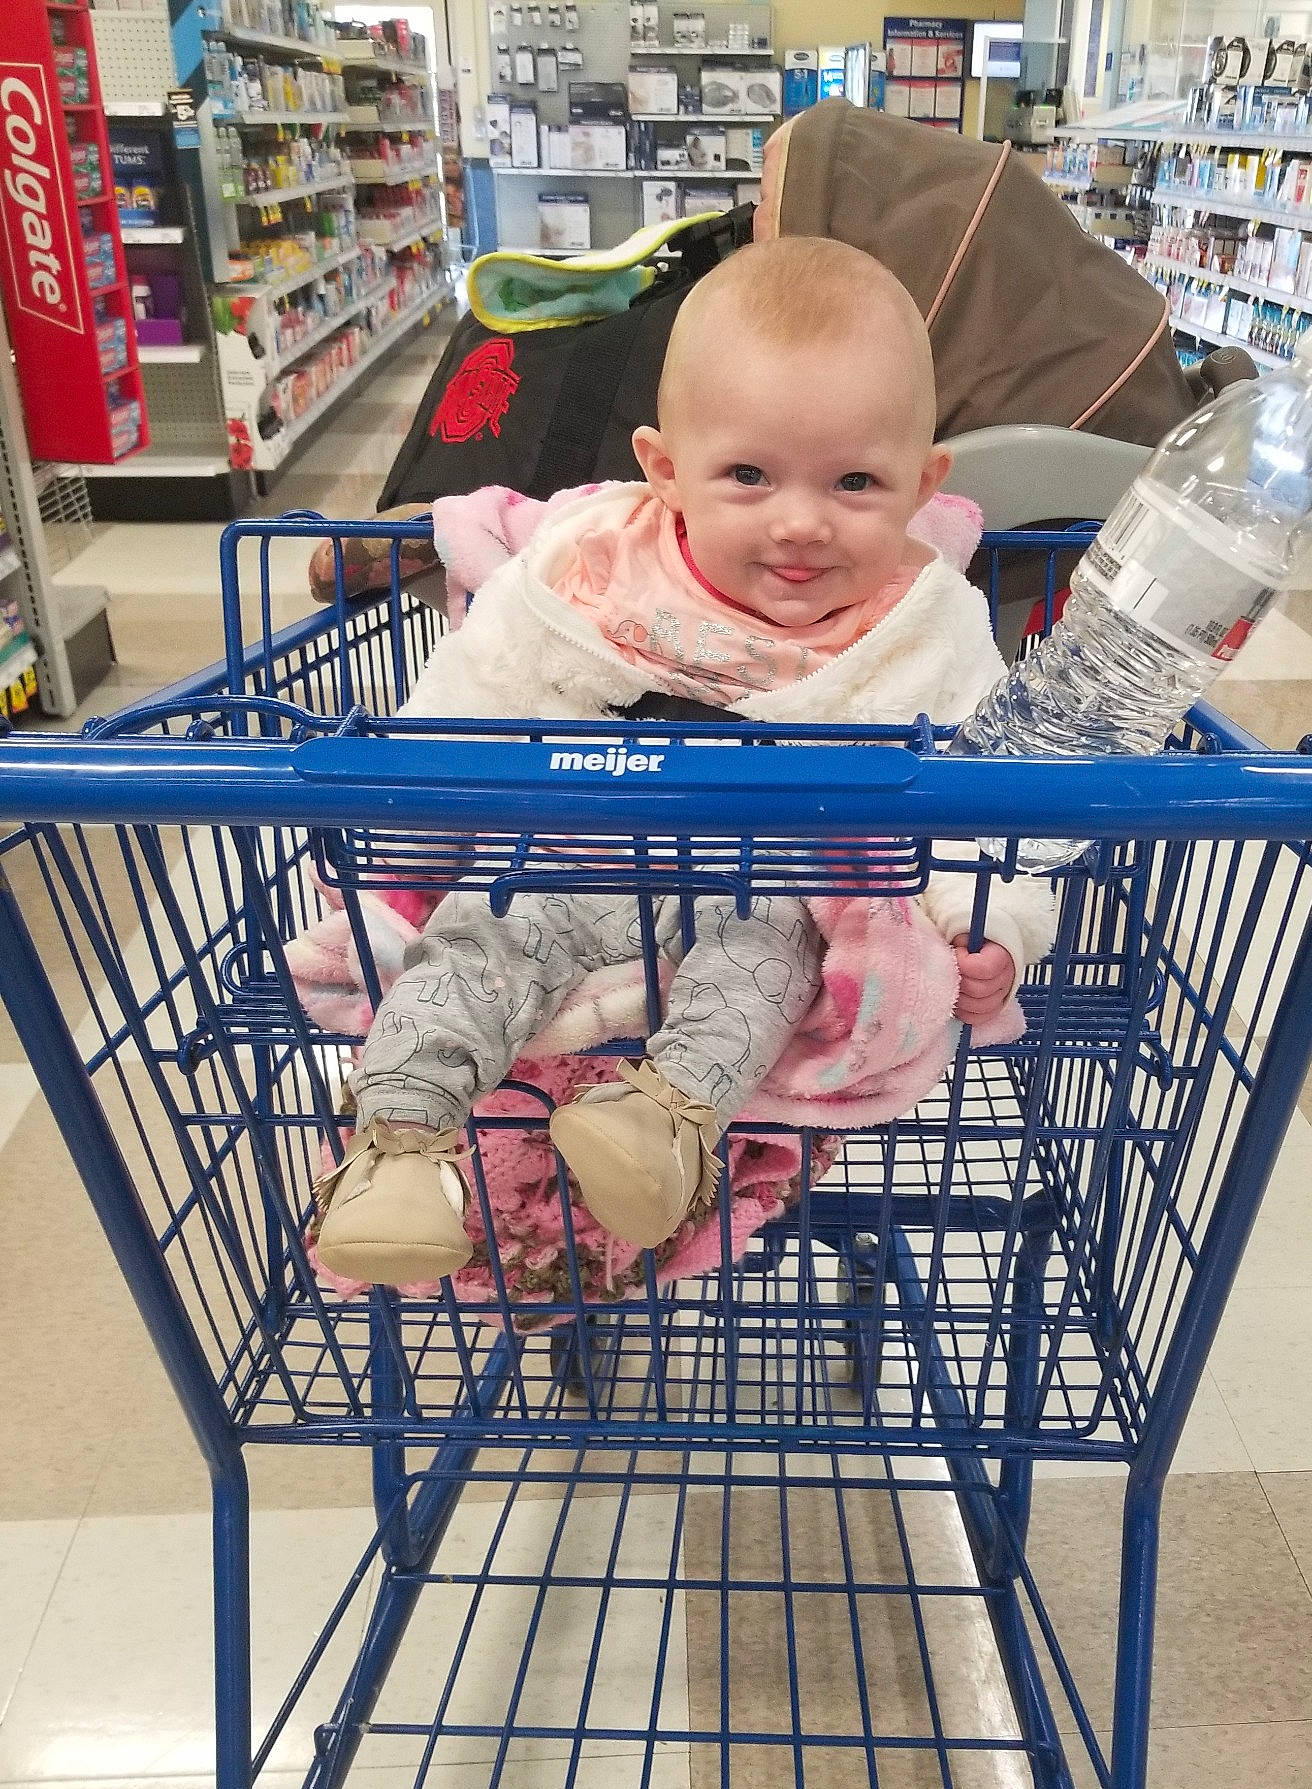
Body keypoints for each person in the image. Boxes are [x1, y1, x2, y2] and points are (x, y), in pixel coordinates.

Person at [313, 235, 1048, 1286]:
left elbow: (987, 795)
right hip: (570, 856)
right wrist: (404, 848)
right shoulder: (598, 563)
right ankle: (397, 1145)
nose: (801, 523)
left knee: (774, 962)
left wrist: (994, 922)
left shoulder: (922, 625)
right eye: (747, 475)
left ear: (923, 481)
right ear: (664, 470)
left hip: (765, 887)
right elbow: (475, 694)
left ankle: (660, 1126)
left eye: (856, 481)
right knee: (480, 937)